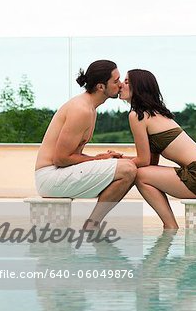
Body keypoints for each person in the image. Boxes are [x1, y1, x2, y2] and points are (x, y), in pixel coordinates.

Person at [34, 60, 137, 229]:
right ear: (101, 87)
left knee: (128, 167)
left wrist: (102, 159)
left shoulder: (90, 108)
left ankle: (93, 224)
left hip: (59, 173)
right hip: (49, 177)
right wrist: (100, 159)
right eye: (116, 81)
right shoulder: (80, 109)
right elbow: (60, 158)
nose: (120, 85)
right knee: (127, 169)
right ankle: (92, 225)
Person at [119, 69, 196, 230]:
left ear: (138, 87)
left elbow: (143, 161)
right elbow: (150, 162)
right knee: (142, 173)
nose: (121, 85)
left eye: (126, 82)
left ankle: (170, 226)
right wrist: (121, 158)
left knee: (139, 175)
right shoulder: (156, 114)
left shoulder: (137, 115)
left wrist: (116, 160)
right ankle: (170, 226)